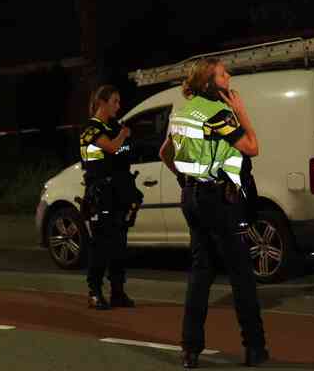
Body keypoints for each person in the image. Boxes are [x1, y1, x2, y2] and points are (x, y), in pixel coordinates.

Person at [159, 58, 269, 368]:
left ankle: (190, 349)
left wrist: (185, 179)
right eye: (223, 73)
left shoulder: (181, 111)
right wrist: (242, 112)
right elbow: (251, 146)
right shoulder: (219, 112)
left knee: (201, 272)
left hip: (191, 197)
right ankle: (254, 347)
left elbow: (164, 153)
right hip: (217, 200)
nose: (229, 76)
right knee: (240, 274)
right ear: (210, 83)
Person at [79, 84, 141, 310]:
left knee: (119, 245)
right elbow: (113, 148)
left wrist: (122, 140)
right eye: (114, 101)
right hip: (101, 194)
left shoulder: (113, 126)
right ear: (102, 103)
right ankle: (94, 292)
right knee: (100, 246)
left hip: (119, 194)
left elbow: (126, 152)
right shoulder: (91, 128)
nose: (118, 105)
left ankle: (118, 291)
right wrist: (123, 136)